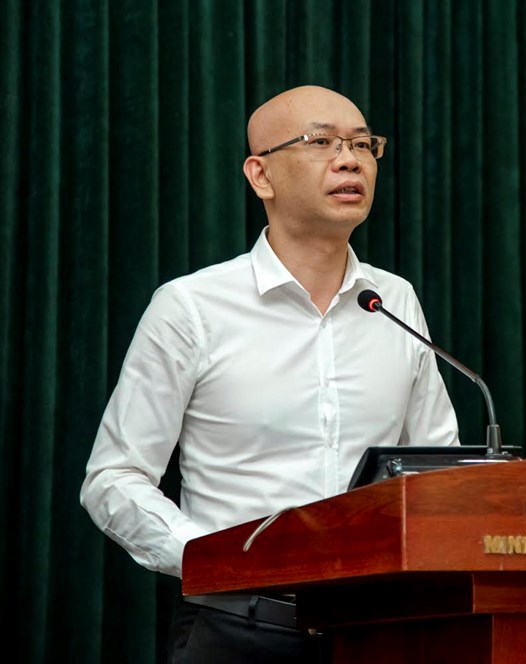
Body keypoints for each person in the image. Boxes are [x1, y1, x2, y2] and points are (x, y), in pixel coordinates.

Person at [80, 85, 460, 663]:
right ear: (261, 175)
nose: (350, 160)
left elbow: (438, 465)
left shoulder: (393, 301)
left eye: (363, 144)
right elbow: (114, 476)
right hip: (239, 628)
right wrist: (216, 556)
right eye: (322, 142)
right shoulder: (192, 307)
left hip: (378, 628)